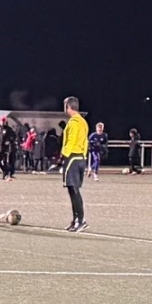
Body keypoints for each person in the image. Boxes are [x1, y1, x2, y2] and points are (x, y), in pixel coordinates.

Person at [60, 97, 90, 232]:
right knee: (73, 190)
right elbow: (85, 141)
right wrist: (84, 155)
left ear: (68, 106)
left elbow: (71, 140)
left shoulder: (73, 122)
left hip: (72, 157)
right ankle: (76, 219)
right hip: (80, 157)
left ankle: (81, 220)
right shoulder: (83, 121)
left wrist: (64, 155)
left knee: (73, 190)